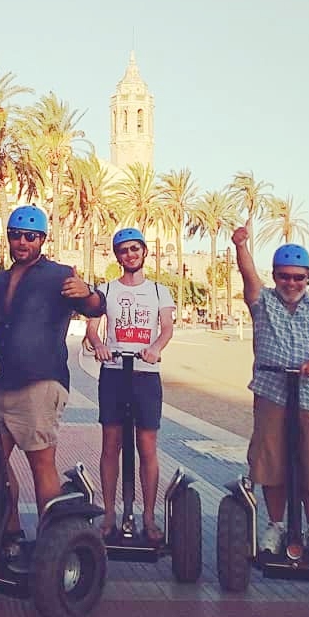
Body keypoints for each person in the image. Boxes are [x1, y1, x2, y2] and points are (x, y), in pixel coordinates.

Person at [0, 205, 105, 565]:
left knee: (40, 462)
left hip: (41, 383)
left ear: (41, 240)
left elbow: (95, 307)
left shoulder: (59, 275)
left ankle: (52, 546)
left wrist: (88, 291)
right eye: (16, 235)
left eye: (30, 237)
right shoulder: (0, 281)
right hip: (3, 383)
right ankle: (12, 530)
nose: (22, 242)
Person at [232, 226, 309, 559]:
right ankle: (276, 525)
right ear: (275, 276)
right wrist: (241, 246)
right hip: (272, 391)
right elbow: (248, 276)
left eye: (298, 277)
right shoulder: (263, 302)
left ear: (308, 277)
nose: (291, 283)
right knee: (272, 461)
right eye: (284, 276)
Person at [84, 227, 174, 544]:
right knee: (111, 444)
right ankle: (109, 514)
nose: (130, 254)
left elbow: (166, 328)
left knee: (147, 446)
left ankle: (148, 517)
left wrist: (155, 348)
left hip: (145, 374)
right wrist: (99, 345)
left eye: (135, 248)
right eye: (124, 250)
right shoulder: (106, 290)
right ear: (117, 256)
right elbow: (92, 329)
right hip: (113, 373)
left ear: (144, 252)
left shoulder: (160, 291)